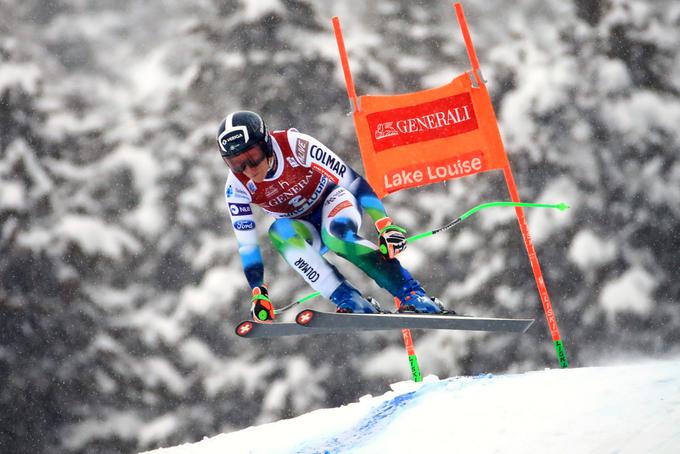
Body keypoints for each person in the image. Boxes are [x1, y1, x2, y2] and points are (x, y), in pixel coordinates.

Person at [219, 111, 448, 322]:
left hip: (333, 202)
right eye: (237, 164)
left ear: (266, 144)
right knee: (279, 232)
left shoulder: (294, 145)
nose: (249, 169)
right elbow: (247, 245)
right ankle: (351, 300)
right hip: (302, 227)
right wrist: (258, 291)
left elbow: (353, 181)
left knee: (336, 237)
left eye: (253, 157)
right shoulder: (236, 187)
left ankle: (412, 294)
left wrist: (384, 225)